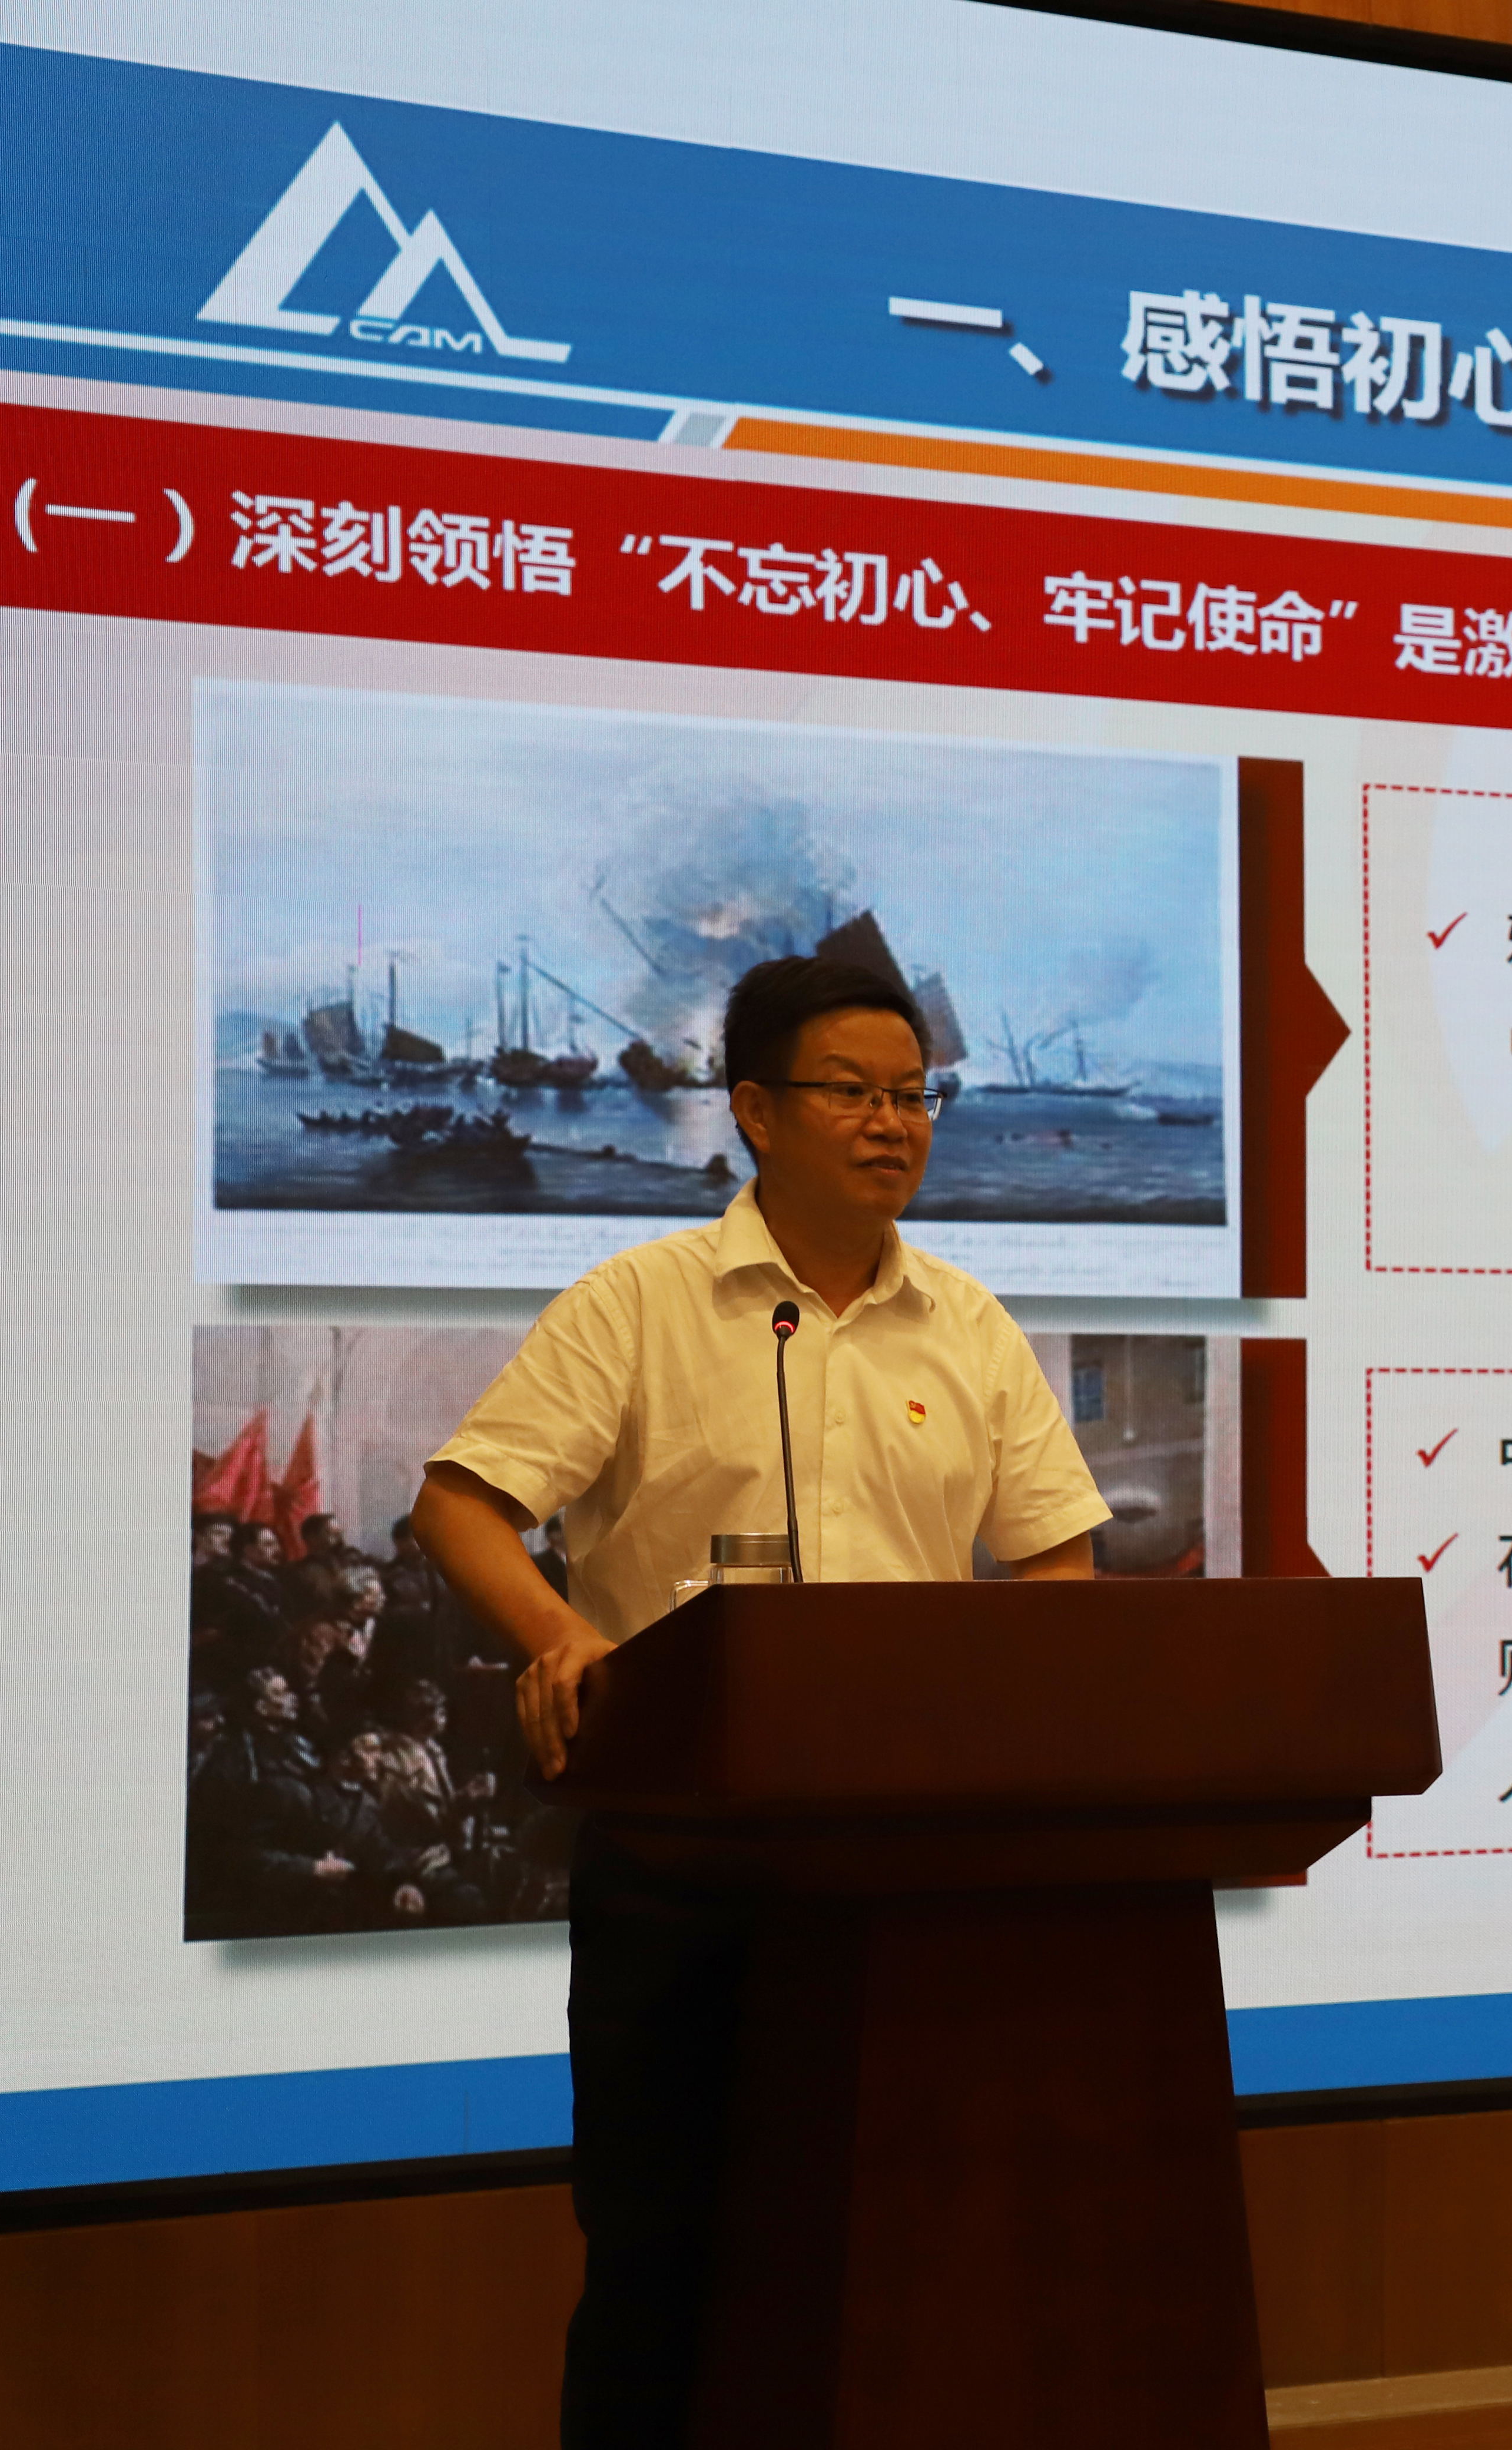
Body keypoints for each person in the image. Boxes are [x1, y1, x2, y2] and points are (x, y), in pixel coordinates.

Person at [410, 954, 1108, 2450]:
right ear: (754, 1112)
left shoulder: (969, 1324)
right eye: (852, 1091)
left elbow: (1058, 1555)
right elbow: (461, 1502)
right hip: (686, 1862)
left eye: (914, 1095)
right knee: (664, 2262)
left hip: (915, 1873)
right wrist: (562, 1637)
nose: (893, 1123)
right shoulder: (639, 1304)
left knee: (898, 2249)